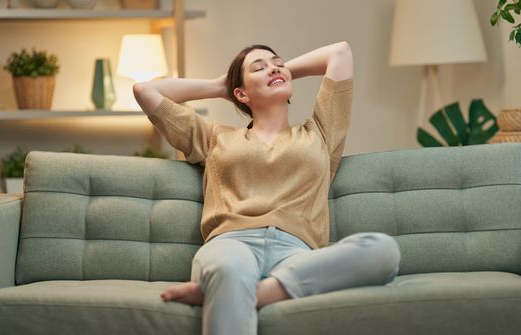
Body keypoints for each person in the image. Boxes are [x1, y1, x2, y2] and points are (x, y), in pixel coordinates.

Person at [133, 41, 400, 335]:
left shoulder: (321, 134)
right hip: (230, 245)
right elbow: (145, 91)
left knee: (383, 251)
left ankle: (240, 293)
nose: (273, 67)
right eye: (259, 67)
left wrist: (278, 72)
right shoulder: (214, 138)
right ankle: (231, 284)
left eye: (277, 62)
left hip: (297, 254)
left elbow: (340, 53)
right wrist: (222, 85)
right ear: (240, 94)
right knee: (229, 269)